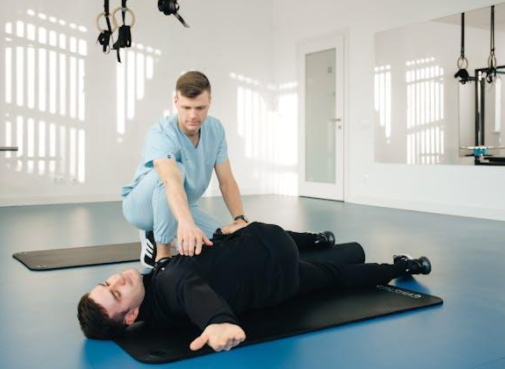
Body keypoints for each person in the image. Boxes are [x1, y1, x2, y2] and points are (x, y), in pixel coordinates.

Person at [77, 222, 432, 352]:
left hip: (278, 287)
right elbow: (189, 288)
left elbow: (189, 284)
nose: (117, 279)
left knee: (334, 277)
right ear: (131, 315)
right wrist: (216, 320)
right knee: (239, 227)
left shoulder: (156, 303)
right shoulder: (168, 283)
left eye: (107, 282)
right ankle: (318, 237)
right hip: (271, 246)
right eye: (117, 293)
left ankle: (407, 265)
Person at [121, 71, 250, 269]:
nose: (193, 115)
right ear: (175, 101)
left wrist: (239, 219)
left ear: (210, 102)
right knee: (175, 171)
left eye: (200, 108)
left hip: (183, 205)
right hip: (141, 207)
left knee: (223, 241)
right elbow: (169, 179)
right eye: (186, 107)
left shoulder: (215, 129)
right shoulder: (162, 133)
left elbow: (226, 180)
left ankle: (173, 225)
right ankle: (161, 253)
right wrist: (186, 222)